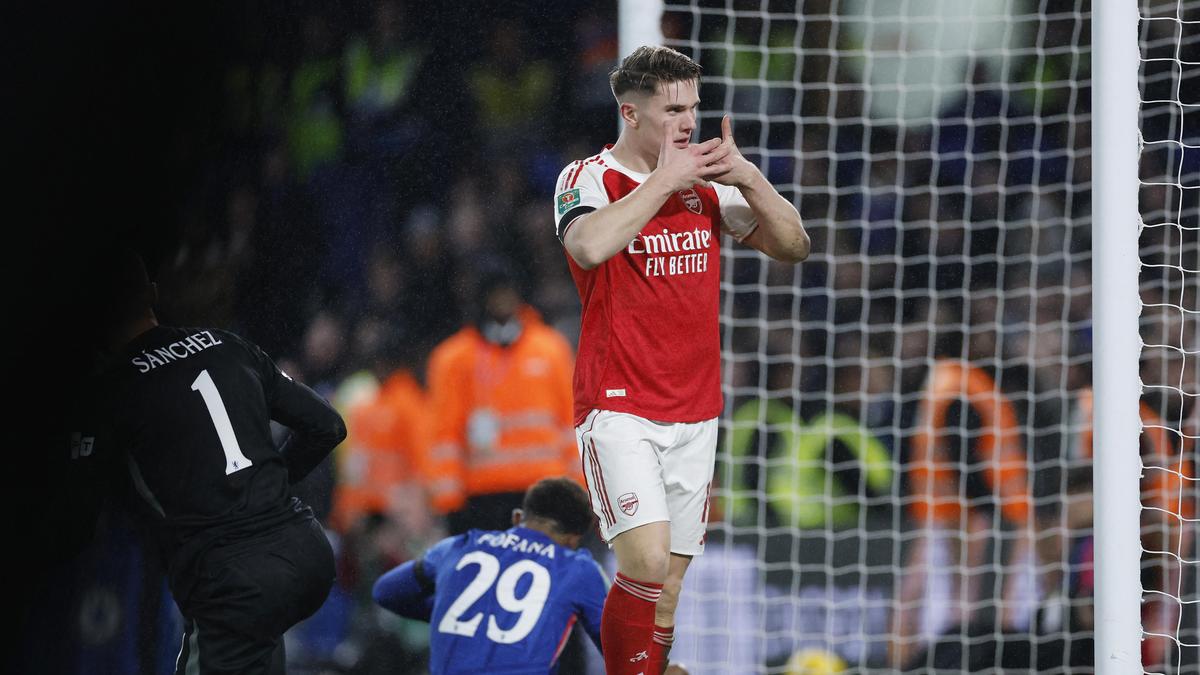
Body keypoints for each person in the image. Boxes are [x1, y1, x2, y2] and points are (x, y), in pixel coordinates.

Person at [551, 45, 809, 675]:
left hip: (696, 411)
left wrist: (747, 176)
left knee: (667, 590)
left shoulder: (705, 187)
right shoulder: (586, 178)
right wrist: (665, 181)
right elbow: (588, 246)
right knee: (643, 561)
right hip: (619, 407)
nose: (689, 122)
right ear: (630, 113)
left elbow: (793, 245)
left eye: (693, 106)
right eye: (673, 110)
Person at [73, 249, 347, 674]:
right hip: (304, 551)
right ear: (153, 293)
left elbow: (77, 516)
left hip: (233, 579)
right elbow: (328, 426)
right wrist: (268, 491)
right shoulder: (226, 344)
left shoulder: (111, 390)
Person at [372, 477, 606, 674]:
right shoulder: (579, 568)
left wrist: (458, 612)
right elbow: (616, 645)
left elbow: (385, 591)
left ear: (518, 518)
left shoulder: (457, 547)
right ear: (574, 539)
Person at [422, 266, 579, 534]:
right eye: (494, 294)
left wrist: (578, 489)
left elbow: (572, 421)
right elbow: (443, 433)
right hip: (483, 496)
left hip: (544, 490)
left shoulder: (551, 349)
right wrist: (448, 500)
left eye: (507, 292)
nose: (502, 300)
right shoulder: (453, 359)